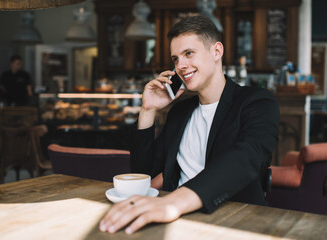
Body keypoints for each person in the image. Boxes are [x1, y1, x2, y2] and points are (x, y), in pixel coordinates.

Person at [99, 15, 280, 234]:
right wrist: (148, 110)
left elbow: (245, 158)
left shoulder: (257, 101)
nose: (181, 66)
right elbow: (143, 173)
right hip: (174, 221)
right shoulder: (180, 112)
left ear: (216, 51)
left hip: (234, 221)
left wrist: (173, 203)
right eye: (175, 59)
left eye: (188, 53)